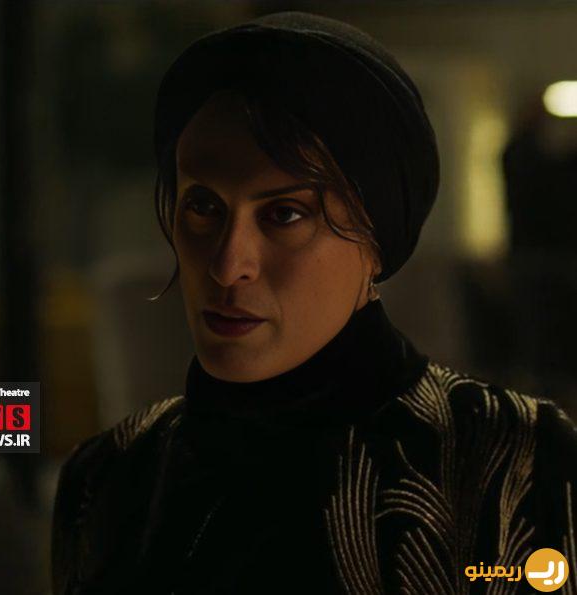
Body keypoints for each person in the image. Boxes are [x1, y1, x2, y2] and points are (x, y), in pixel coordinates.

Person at [51, 12, 577, 594]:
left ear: (377, 237)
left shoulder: (514, 460)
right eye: (202, 206)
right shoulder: (109, 475)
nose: (227, 264)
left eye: (284, 214)